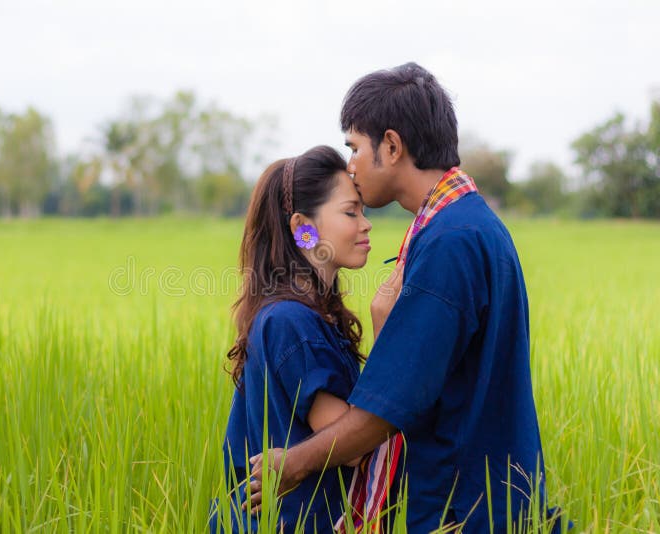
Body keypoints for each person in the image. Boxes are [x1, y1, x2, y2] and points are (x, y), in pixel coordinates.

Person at [247, 63, 566, 533]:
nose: (351, 165)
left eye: (354, 147)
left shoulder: (449, 242)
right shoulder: (464, 225)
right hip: (479, 496)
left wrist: (294, 464)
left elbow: (389, 407)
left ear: (392, 146)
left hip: (465, 506)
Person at [209, 145, 377, 533]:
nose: (366, 224)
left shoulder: (299, 315)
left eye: (363, 211)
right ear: (303, 227)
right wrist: (387, 326)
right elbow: (356, 447)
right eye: (351, 212)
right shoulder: (290, 321)